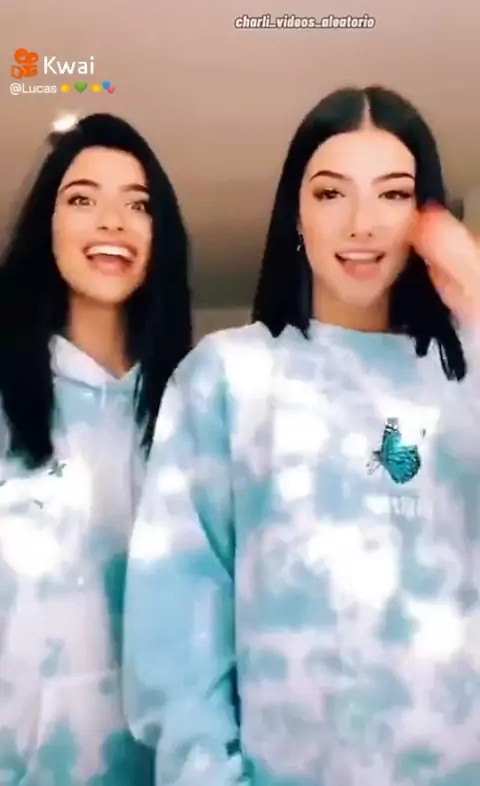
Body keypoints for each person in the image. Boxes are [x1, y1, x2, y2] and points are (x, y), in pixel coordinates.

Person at [123, 86, 480, 786]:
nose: (362, 224)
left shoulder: (466, 377)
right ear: (296, 211)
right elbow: (178, 624)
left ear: (426, 216)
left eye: (393, 194)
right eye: (331, 193)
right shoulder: (228, 378)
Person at [0, 113, 192, 784]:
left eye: (137, 205)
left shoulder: (195, 413)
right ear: (47, 226)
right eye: (83, 199)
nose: (113, 222)